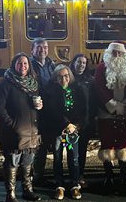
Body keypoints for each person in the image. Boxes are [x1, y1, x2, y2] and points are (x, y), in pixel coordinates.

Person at [0, 53, 41, 202]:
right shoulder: (5, 84)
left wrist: (40, 106)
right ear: (14, 65)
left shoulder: (33, 84)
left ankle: (27, 190)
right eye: (20, 63)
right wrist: (12, 124)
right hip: (14, 133)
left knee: (27, 163)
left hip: (31, 131)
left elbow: (34, 105)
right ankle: (11, 194)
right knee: (12, 163)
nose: (23, 66)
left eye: (25, 63)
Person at [94, 42, 126, 190]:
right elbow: (99, 90)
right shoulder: (101, 68)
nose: (117, 56)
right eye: (114, 53)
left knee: (123, 144)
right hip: (106, 113)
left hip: (124, 113)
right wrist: (113, 106)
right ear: (109, 54)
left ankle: (123, 176)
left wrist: (124, 105)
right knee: (107, 145)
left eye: (120, 53)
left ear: (125, 55)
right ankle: (108, 176)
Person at [43, 64, 87, 200]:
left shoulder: (77, 89)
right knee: (57, 158)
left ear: (70, 76)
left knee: (73, 158)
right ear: (56, 78)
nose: (64, 79)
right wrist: (66, 124)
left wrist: (75, 125)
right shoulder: (51, 92)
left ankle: (75, 185)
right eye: (60, 76)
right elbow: (53, 111)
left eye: (66, 76)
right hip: (58, 131)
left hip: (73, 131)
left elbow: (82, 109)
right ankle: (59, 186)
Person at [31, 38, 56, 186]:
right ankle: (34, 177)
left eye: (45, 47)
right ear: (32, 50)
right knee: (35, 145)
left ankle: (40, 175)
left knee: (45, 144)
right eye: (39, 48)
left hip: (49, 111)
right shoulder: (29, 65)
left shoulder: (51, 65)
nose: (43, 50)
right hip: (34, 111)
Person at [70, 54, 97, 187]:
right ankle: (71, 176)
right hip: (69, 123)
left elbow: (93, 103)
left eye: (84, 63)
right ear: (74, 63)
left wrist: (88, 120)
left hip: (85, 123)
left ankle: (80, 175)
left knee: (82, 150)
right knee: (70, 150)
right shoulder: (67, 78)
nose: (81, 65)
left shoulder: (91, 81)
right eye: (79, 62)